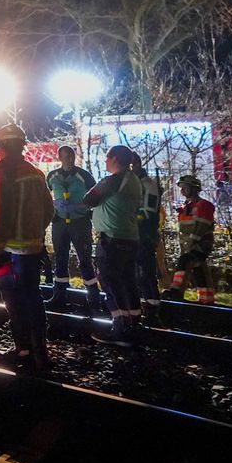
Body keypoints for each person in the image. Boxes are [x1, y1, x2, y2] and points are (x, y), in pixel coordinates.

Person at [0, 124, 55, 372]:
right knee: (33, 298)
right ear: (22, 147)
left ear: (2, 147)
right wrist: (33, 233)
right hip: (33, 250)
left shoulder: (4, 173)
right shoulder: (36, 173)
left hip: (9, 253)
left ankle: (23, 349)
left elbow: (0, 216)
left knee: (14, 301)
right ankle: (40, 351)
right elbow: (49, 211)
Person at [83, 145, 143, 345]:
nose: (105, 161)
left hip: (112, 239)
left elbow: (88, 199)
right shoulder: (133, 179)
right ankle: (134, 323)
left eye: (107, 157)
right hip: (130, 237)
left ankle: (120, 326)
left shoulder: (112, 180)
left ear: (115, 158)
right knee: (128, 281)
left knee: (110, 281)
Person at [45, 146, 101, 313]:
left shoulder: (84, 176)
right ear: (59, 157)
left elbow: (96, 198)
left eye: (71, 156)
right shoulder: (52, 176)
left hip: (80, 222)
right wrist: (54, 205)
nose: (69, 159)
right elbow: (44, 196)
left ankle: (93, 297)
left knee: (85, 259)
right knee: (60, 258)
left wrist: (78, 206)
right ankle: (59, 295)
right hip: (60, 222)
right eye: (65, 156)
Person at [163, 174, 216, 304]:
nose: (182, 190)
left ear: (194, 188)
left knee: (185, 261)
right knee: (199, 269)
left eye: (185, 187)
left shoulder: (204, 205)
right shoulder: (185, 208)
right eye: (181, 187)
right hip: (188, 245)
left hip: (201, 245)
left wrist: (191, 243)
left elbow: (201, 227)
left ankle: (176, 291)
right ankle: (206, 299)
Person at [131, 153, 164, 322]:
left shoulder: (148, 185)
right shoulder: (133, 183)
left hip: (145, 235)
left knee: (146, 273)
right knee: (137, 274)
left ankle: (153, 310)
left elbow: (148, 212)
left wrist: (130, 221)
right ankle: (144, 306)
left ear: (135, 165)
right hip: (133, 235)